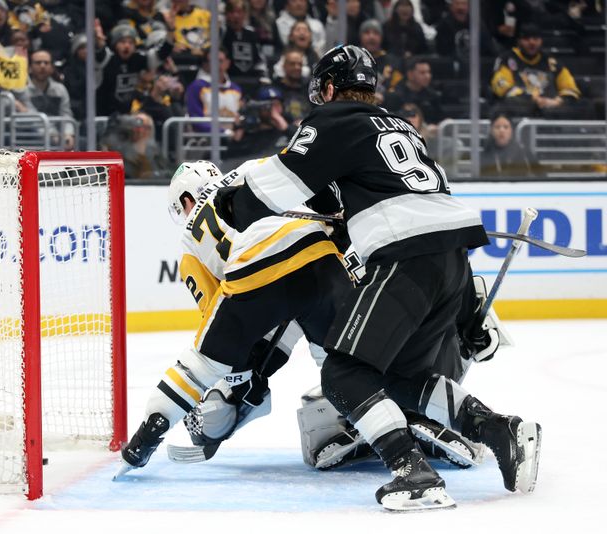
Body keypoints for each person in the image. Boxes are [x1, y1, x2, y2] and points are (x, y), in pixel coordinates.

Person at [210, 44, 541, 511]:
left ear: (329, 88)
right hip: (453, 257)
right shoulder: (401, 126)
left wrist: (231, 203)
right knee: (399, 377)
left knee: (342, 375)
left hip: (407, 256)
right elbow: (374, 195)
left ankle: (413, 472)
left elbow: (273, 187)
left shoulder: (332, 120)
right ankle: (500, 430)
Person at [117, 159, 351, 475]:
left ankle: (149, 435)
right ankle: (370, 410)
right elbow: (309, 179)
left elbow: (217, 316)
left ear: (186, 199)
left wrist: (241, 381)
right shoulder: (252, 167)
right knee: (340, 356)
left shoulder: (188, 241)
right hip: (317, 256)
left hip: (254, 279)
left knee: (210, 373)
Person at [490, 23, 586, 119]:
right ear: (518, 41)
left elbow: (570, 88)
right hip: (520, 108)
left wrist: (557, 101)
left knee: (583, 104)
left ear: (541, 40)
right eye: (526, 39)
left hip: (551, 110)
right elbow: (501, 86)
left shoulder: (552, 62)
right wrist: (533, 99)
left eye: (536, 39)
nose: (532, 42)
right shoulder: (507, 59)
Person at [184, 47, 243, 135]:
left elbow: (240, 116)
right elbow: (196, 120)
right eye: (213, 61)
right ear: (205, 64)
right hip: (205, 138)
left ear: (228, 63)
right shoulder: (197, 87)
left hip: (233, 138)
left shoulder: (235, 89)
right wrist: (223, 132)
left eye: (220, 61)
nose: (217, 65)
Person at [27, 49, 75, 150]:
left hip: (58, 137)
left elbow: (66, 114)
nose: (42, 66)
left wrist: (68, 134)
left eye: (46, 63)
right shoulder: (22, 90)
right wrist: (53, 136)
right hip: (30, 138)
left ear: (52, 68)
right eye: (38, 63)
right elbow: (32, 120)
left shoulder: (60, 89)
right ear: (30, 68)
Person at [480, 111, 543, 178]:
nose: (502, 130)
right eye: (497, 127)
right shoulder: (485, 155)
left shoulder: (525, 153)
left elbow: (542, 176)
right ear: (491, 131)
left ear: (511, 130)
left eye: (506, 127)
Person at [384, 56, 443, 127]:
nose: (427, 76)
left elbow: (440, 119)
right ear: (410, 74)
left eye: (429, 72)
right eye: (422, 73)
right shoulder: (395, 95)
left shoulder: (433, 95)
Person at [358, 19, 402, 106]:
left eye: (376, 33)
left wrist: (384, 97)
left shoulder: (393, 62)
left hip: (385, 108)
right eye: (367, 32)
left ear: (381, 38)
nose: (371, 37)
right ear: (360, 37)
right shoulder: (352, 60)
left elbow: (400, 91)